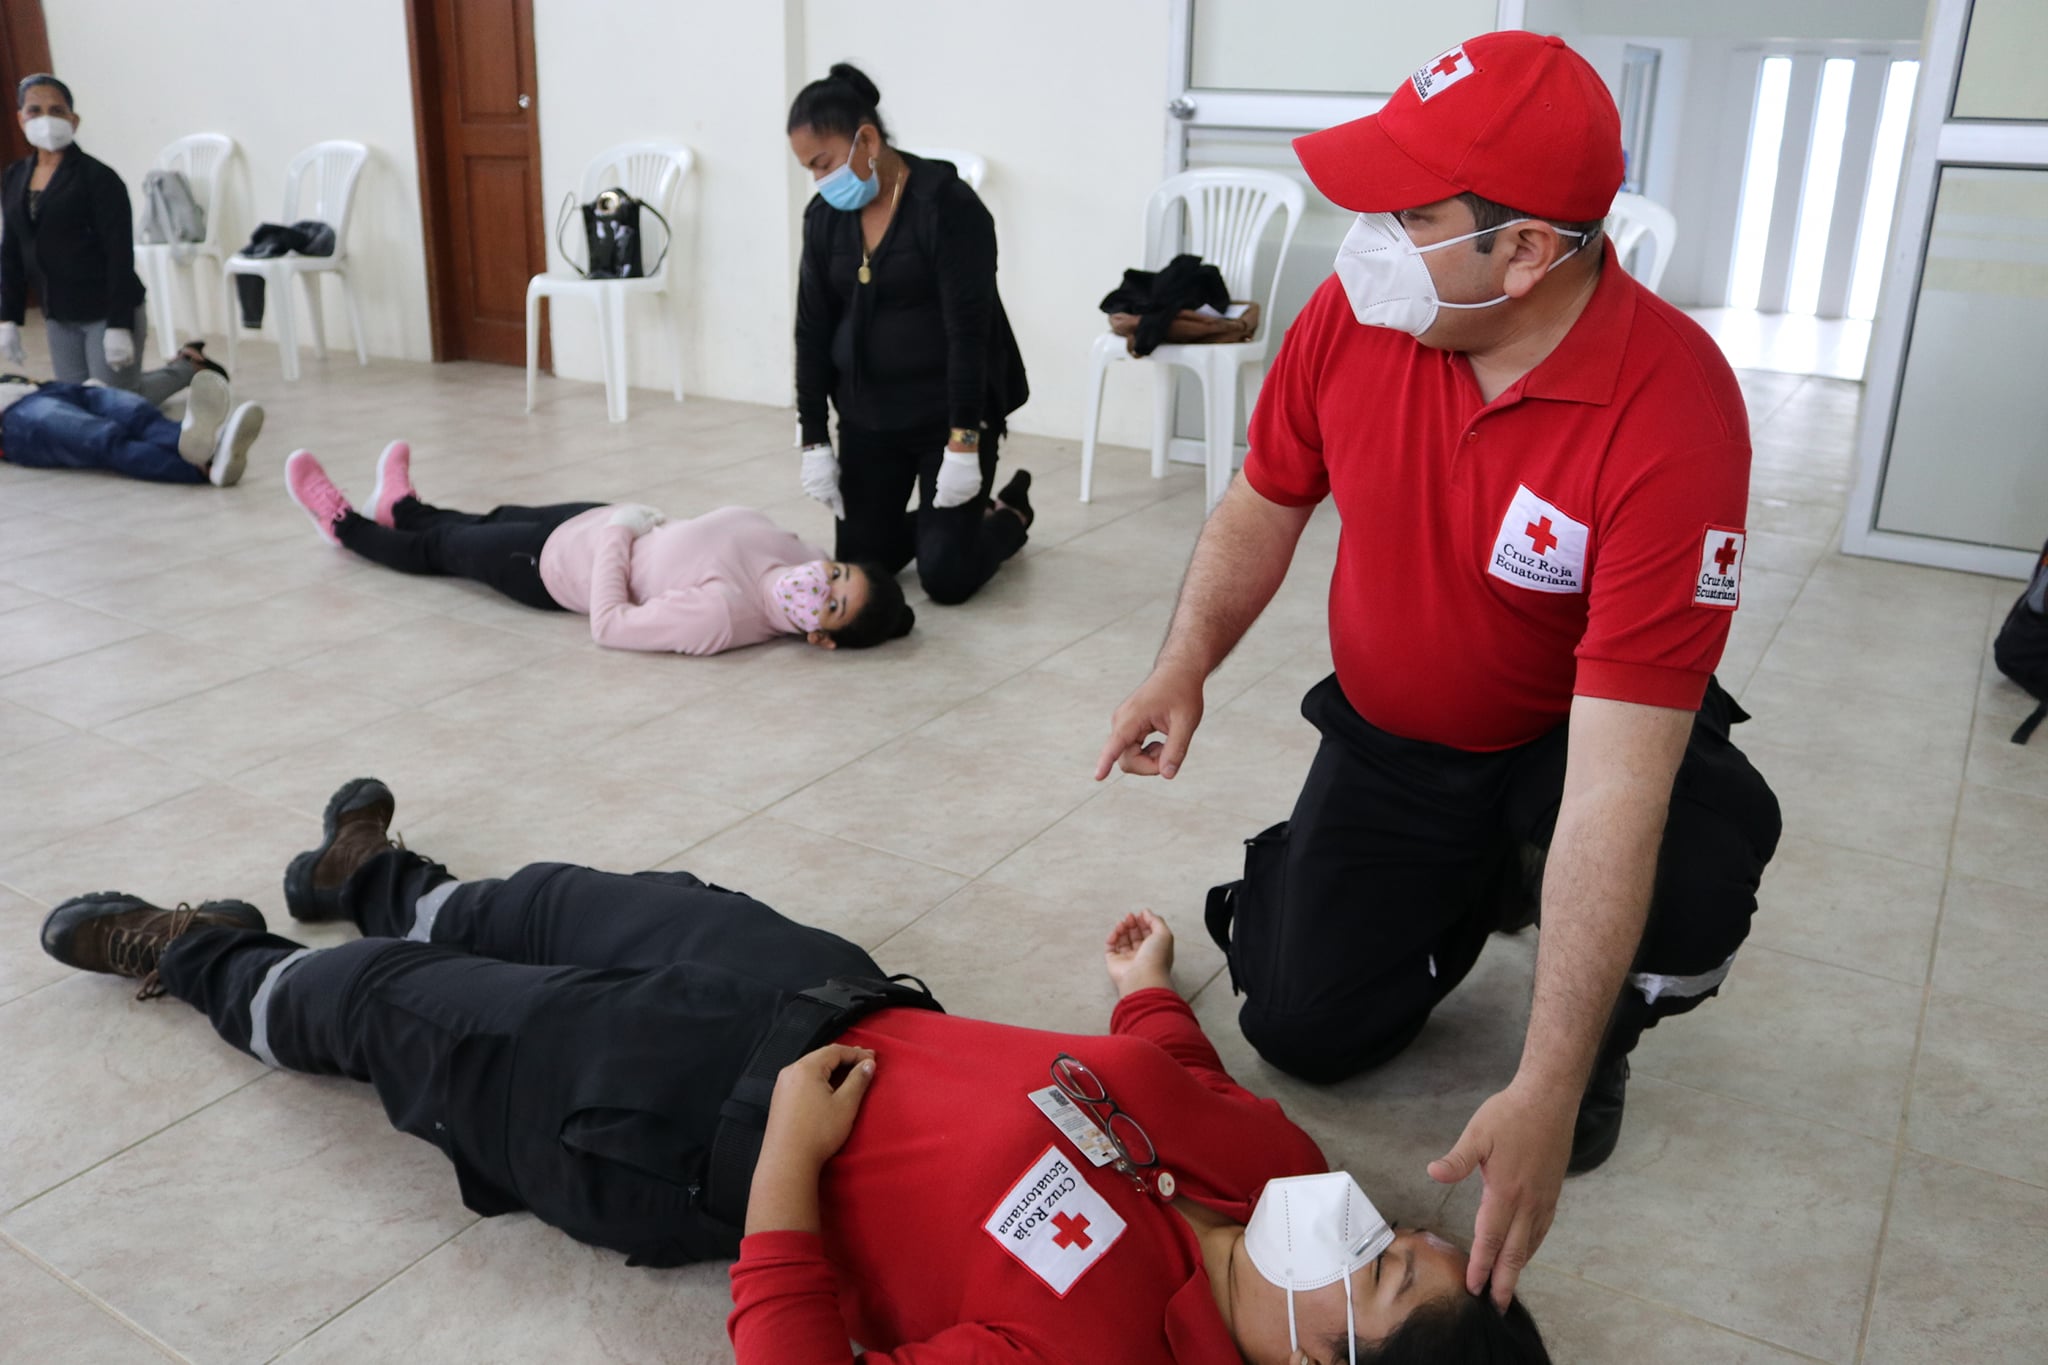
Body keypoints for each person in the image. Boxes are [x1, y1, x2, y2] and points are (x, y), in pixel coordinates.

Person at [38, 776, 1551, 1365]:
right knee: (558, 900)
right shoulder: (1284, 1176)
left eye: (1378, 1273)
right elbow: (1179, 1082)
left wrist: (786, 1169)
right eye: (1404, 1235)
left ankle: (204, 958)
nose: (1362, 1222)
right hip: (822, 991)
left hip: (689, 1119)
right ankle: (372, 876)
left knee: (400, 1012)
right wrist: (1150, 995)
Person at [1097, 31, 1782, 1311]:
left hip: (1566, 740)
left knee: (1690, 869)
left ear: (1523, 252)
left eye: (1408, 215)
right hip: (1397, 737)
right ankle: (1442, 877)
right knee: (1300, 1030)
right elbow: (1263, 500)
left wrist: (1547, 1080)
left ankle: (1591, 1008)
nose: (1366, 241)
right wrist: (1183, 662)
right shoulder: (1359, 316)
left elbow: (1614, 788)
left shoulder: (1670, 415)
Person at [789, 63, 1034, 607]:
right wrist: (814, 438)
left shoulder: (947, 207)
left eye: (823, 163)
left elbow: (969, 333)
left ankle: (1007, 516)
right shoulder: (824, 217)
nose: (819, 181)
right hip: (869, 418)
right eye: (809, 169)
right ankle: (944, 526)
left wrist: (963, 443)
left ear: (867, 140)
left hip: (945, 419)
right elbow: (811, 329)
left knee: (945, 578)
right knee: (862, 569)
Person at [282, 443, 914, 654]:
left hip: (553, 568)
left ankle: (342, 524)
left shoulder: (723, 616)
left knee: (446, 549)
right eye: (838, 574)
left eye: (833, 604)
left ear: (820, 638)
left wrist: (619, 534)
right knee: (488, 517)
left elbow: (611, 626)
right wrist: (620, 522)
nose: (821, 584)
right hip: (597, 520)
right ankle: (402, 509)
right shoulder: (796, 550)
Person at [0, 74, 219, 403]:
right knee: (77, 402)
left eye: (56, 110)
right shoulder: (15, 177)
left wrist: (119, 324)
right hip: (59, 313)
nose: (45, 119)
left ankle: (189, 368)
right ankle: (179, 365)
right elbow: (11, 249)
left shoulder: (99, 178)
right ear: (21, 118)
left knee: (116, 401)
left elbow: (119, 255)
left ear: (73, 120)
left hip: (106, 307)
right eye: (35, 110)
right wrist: (8, 317)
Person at [0, 366, 261, 486]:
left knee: (136, 413)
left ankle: (211, 447)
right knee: (106, 438)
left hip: (39, 388)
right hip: (13, 419)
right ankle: (201, 469)